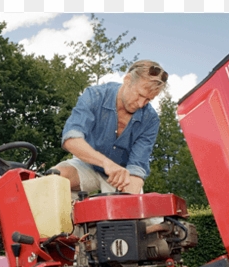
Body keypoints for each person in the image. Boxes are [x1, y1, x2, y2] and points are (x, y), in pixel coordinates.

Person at [53, 60, 168, 196]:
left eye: (148, 99)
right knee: (54, 178)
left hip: (123, 175)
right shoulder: (94, 96)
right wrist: (106, 163)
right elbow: (71, 139)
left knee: (134, 206)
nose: (141, 104)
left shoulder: (151, 119)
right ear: (127, 80)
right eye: (140, 95)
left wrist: (129, 198)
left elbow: (137, 166)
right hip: (88, 163)